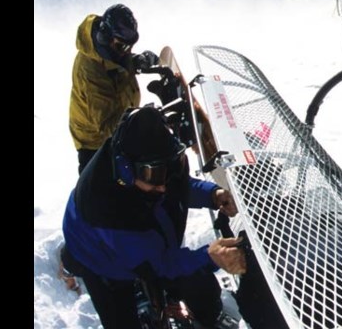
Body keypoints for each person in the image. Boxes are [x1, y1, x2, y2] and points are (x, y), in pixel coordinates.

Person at [61, 105, 246, 328]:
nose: (162, 186)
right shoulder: (108, 211)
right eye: (153, 175)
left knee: (191, 277)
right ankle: (70, 261)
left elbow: (177, 186)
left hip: (137, 241)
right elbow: (160, 263)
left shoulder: (152, 165)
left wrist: (212, 195)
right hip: (98, 255)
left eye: (166, 171)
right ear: (126, 168)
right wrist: (209, 257)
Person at [69, 4, 160, 173]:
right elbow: (106, 124)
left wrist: (137, 61)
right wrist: (141, 120)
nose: (126, 52)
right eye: (122, 46)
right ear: (105, 37)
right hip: (95, 144)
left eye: (130, 47)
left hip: (118, 126)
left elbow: (116, 66)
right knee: (110, 192)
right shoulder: (90, 73)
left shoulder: (110, 51)